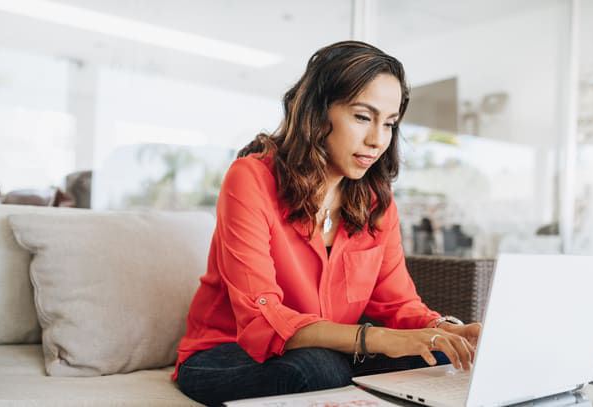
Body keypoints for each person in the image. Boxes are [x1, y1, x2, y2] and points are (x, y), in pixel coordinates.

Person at [173, 41, 481, 406]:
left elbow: (398, 305)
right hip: (226, 354)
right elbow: (262, 318)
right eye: (363, 117)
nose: (377, 140)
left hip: (332, 351)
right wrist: (379, 340)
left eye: (390, 123)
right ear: (318, 112)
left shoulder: (376, 203)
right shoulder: (251, 178)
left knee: (444, 356)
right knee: (319, 368)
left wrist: (445, 331)